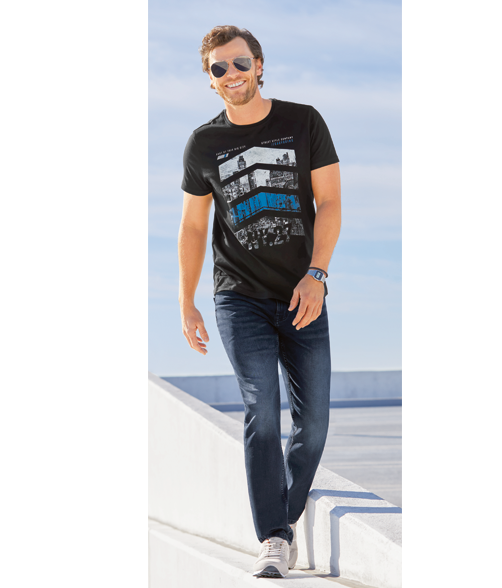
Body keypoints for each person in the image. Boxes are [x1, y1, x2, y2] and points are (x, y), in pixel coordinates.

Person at [178, 25, 341, 579]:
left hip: (302, 293)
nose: (232, 75)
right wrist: (187, 301)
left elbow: (330, 202)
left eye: (240, 63)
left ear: (260, 65)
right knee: (262, 413)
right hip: (238, 297)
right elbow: (194, 227)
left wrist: (317, 274)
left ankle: (282, 518)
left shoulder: (304, 121)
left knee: (313, 425)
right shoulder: (203, 144)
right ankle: (272, 537)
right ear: (209, 79)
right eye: (219, 68)